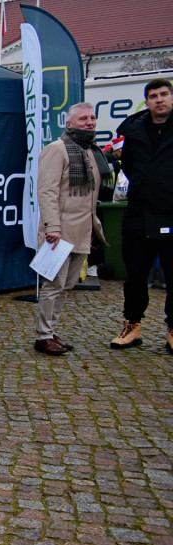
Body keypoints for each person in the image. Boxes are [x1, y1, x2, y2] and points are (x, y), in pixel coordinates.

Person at [33, 103, 109, 356]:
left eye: (93, 118)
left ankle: (51, 331)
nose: (90, 122)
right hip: (60, 231)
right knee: (54, 285)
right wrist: (52, 226)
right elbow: (47, 191)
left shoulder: (90, 151)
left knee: (67, 286)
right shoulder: (57, 149)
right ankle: (43, 336)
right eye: (83, 119)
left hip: (82, 230)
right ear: (69, 123)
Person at [111, 78, 173, 352]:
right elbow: (129, 166)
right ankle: (132, 325)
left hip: (171, 216)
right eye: (153, 96)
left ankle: (172, 328)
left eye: (164, 94)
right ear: (146, 102)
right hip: (139, 215)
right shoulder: (133, 130)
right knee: (135, 276)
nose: (159, 99)